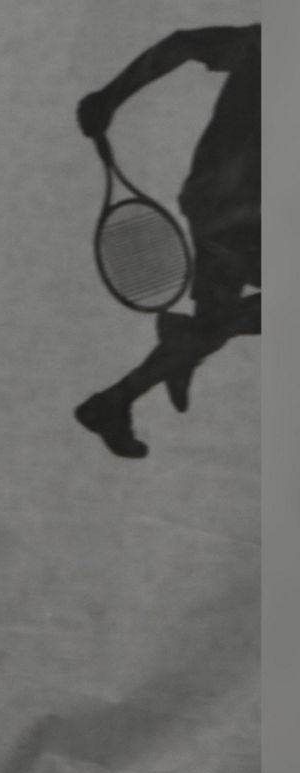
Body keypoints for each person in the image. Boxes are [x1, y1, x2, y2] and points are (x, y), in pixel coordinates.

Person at [73, 24, 260, 459]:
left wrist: (109, 98)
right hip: (240, 214)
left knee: (211, 327)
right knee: (220, 324)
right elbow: (183, 44)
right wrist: (109, 98)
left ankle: (119, 397)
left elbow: (182, 45)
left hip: (224, 206)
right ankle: (189, 341)